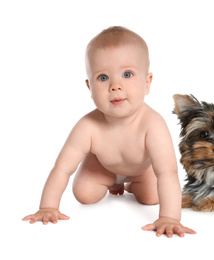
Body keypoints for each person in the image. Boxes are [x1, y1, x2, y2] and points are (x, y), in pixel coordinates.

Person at [22, 26, 196, 238]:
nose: (115, 85)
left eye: (127, 74)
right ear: (89, 87)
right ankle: (112, 181)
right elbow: (62, 168)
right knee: (84, 195)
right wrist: (47, 206)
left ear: (147, 83)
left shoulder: (153, 124)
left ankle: (132, 184)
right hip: (103, 166)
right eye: (103, 78)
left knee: (151, 197)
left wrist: (170, 218)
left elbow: (167, 172)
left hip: (141, 169)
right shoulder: (88, 126)